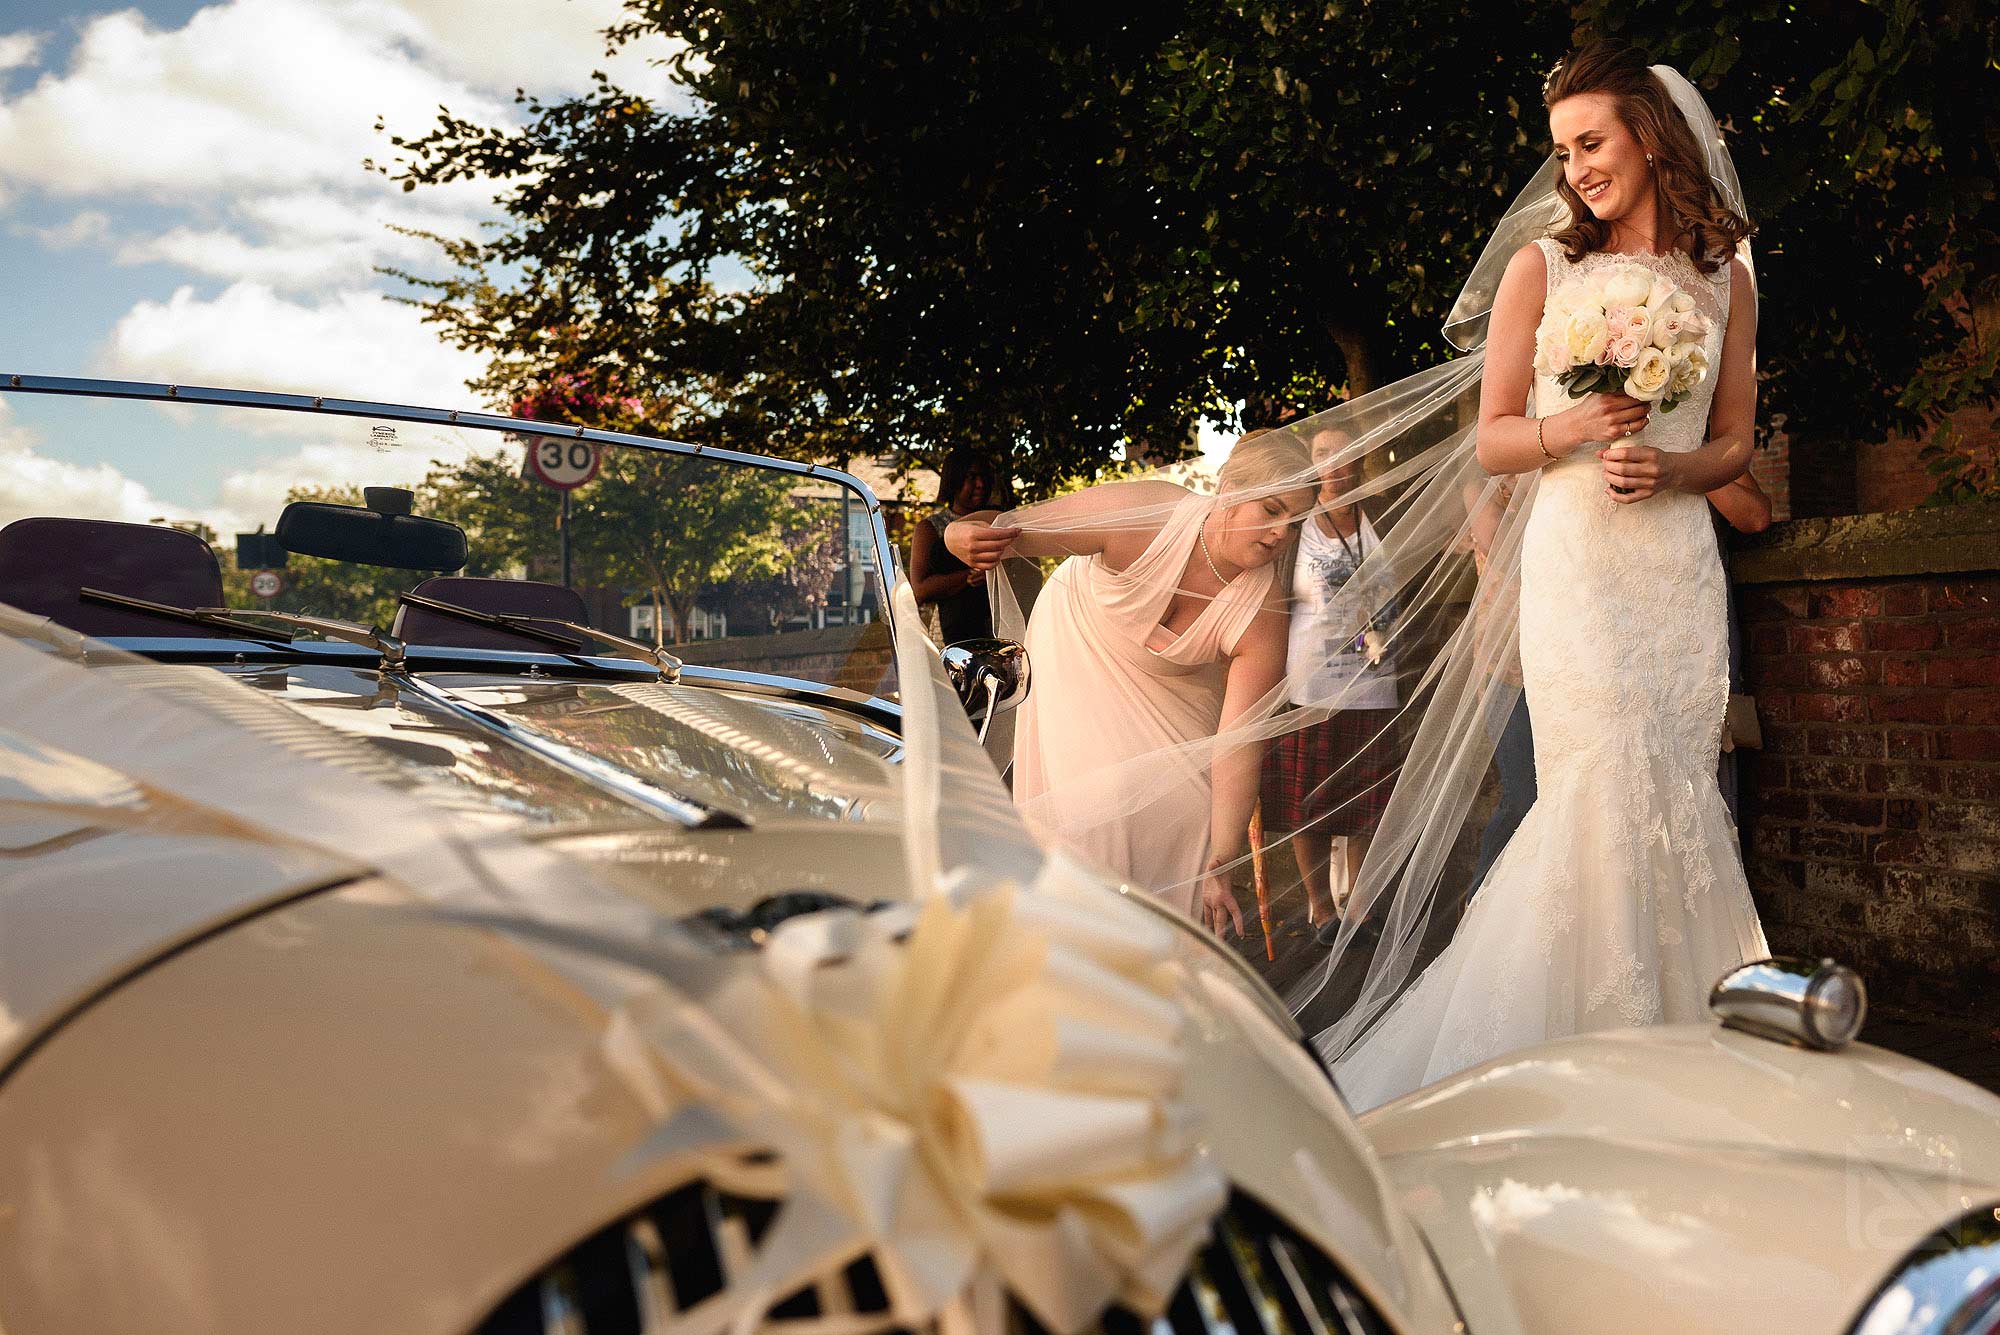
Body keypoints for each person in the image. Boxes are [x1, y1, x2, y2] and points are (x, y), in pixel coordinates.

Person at [1324, 40, 1771, 1109]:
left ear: (1650, 139)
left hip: (1672, 563)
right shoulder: (1543, 268)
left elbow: (1736, 444)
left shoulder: (1724, 279)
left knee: (1674, 787)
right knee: (1594, 785)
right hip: (1575, 561)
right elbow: (1488, 439)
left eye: (1590, 142)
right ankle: (1552, 1061)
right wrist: (1568, 425)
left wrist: (1669, 466)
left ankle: (1683, 1053)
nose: (1574, 168)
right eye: (1562, 150)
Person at [946, 430, 1316, 934]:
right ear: (1230, 487)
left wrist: (1224, 860)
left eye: (1295, 521)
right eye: (1271, 509)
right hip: (1079, 644)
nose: (1280, 532)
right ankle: (1074, 940)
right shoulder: (1149, 513)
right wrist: (957, 535)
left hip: (1176, 694)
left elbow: (1237, 744)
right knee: (1097, 805)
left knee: (1189, 815)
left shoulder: (1263, 612)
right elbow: (1010, 529)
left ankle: (1159, 961)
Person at [1262, 429, 1402, 931]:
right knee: (1310, 798)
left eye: (1347, 455)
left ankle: (1359, 902)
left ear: (1360, 463)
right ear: (1312, 465)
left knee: (1368, 796)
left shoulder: (1384, 517)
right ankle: (1320, 906)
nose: (1336, 464)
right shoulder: (1294, 530)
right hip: (1310, 687)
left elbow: (1400, 593)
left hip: (1373, 681)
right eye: (1324, 455)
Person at [909, 450, 997, 643]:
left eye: (984, 477)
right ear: (953, 481)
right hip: (951, 641)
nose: (980, 484)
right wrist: (970, 576)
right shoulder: (931, 528)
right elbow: (919, 590)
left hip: (998, 637)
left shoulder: (1000, 523)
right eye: (972, 477)